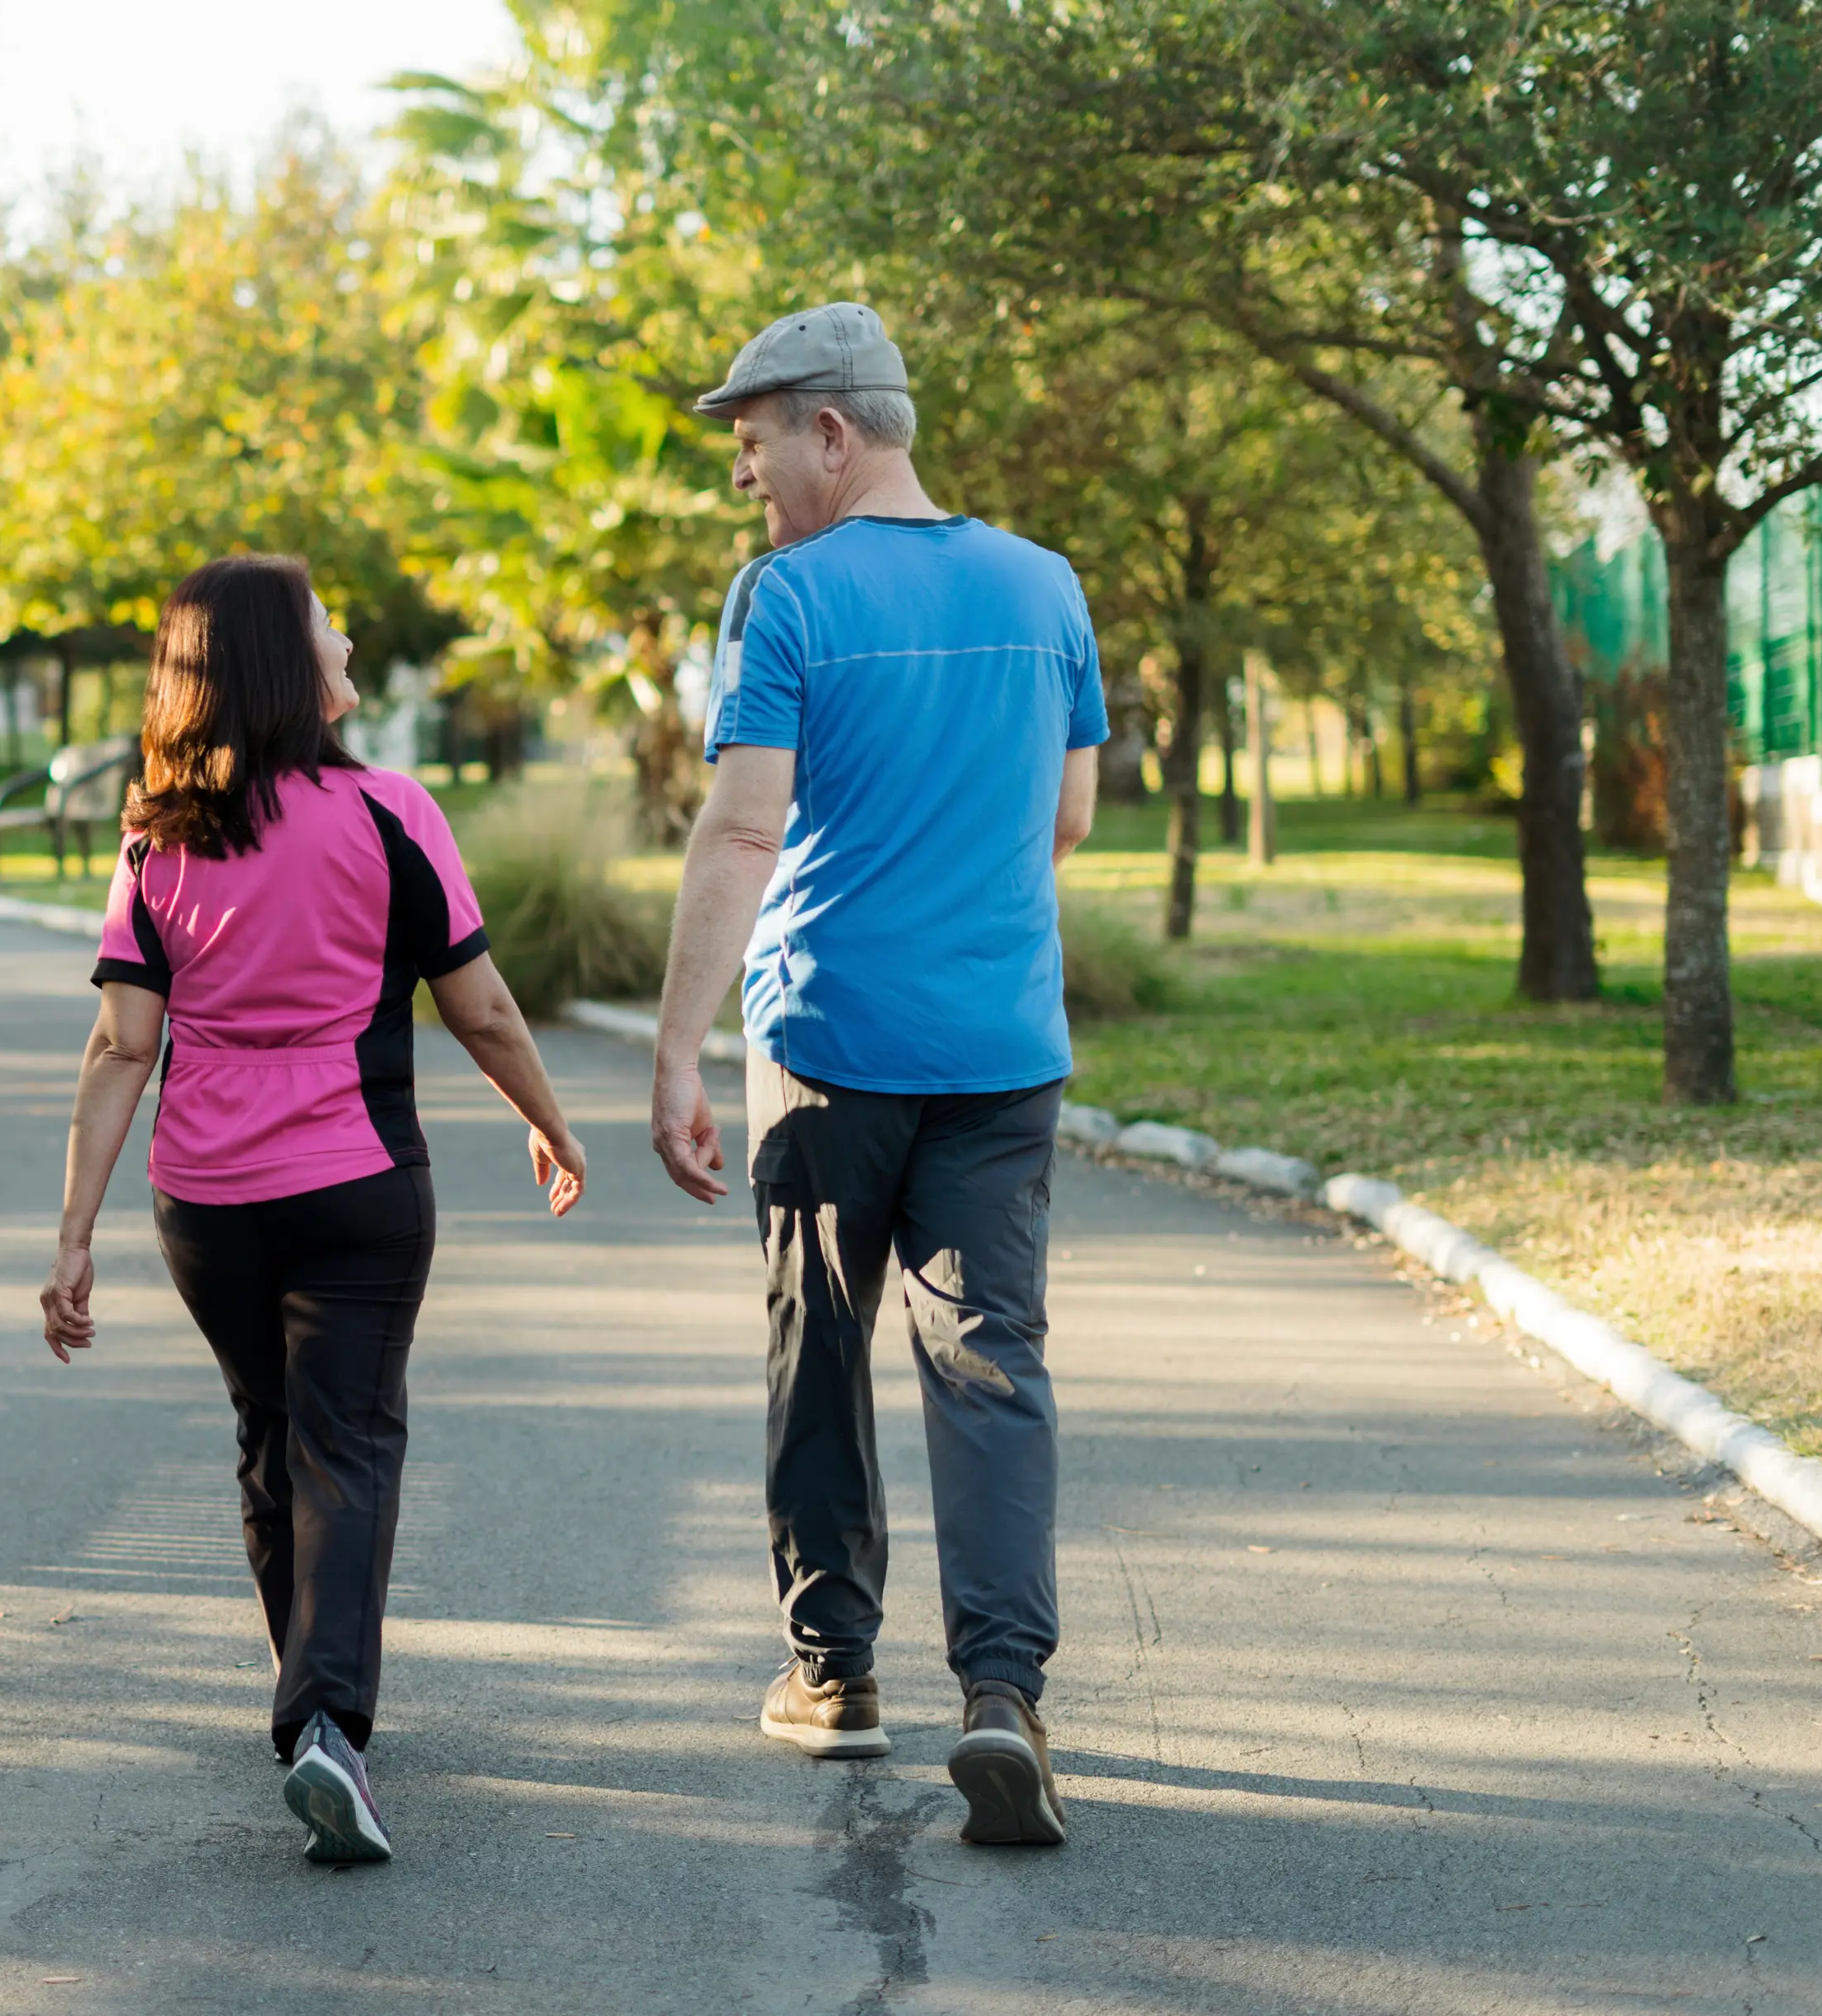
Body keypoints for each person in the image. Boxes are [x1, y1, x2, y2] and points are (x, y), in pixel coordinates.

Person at [39, 553, 590, 1866]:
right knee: (347, 1444)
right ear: (293, 662)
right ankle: (330, 1724)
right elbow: (482, 1006)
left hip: (206, 1204)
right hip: (357, 1189)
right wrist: (550, 1121)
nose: (347, 637)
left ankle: (308, 1709)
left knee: (271, 1434)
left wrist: (73, 1233)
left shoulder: (156, 836)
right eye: (328, 622)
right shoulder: (392, 811)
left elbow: (123, 1049)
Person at [648, 303, 1103, 1847]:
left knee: (817, 1347)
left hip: (830, 1051)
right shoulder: (1046, 588)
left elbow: (743, 829)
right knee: (991, 1363)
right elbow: (1073, 821)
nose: (747, 476)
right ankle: (1001, 1697)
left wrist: (673, 1046)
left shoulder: (786, 600)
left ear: (830, 433)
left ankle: (834, 1678)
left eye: (754, 440)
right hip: (998, 1053)